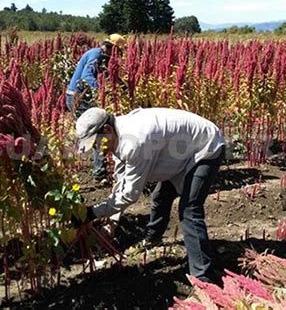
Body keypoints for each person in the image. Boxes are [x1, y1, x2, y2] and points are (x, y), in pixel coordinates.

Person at [75, 107, 226, 284]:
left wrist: (92, 213)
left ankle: (203, 277)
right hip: (179, 154)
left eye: (95, 143)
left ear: (106, 130)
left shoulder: (134, 141)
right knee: (160, 197)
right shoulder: (118, 135)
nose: (97, 149)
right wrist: (113, 219)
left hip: (205, 148)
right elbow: (121, 180)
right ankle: (152, 238)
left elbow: (130, 194)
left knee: (189, 211)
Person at [66, 33, 126, 183]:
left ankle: (91, 167)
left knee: (94, 133)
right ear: (111, 48)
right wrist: (102, 90)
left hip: (82, 96)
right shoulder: (96, 54)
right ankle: (98, 172)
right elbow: (87, 76)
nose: (117, 56)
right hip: (78, 97)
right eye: (117, 52)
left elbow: (107, 73)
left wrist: (121, 84)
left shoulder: (101, 57)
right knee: (96, 132)